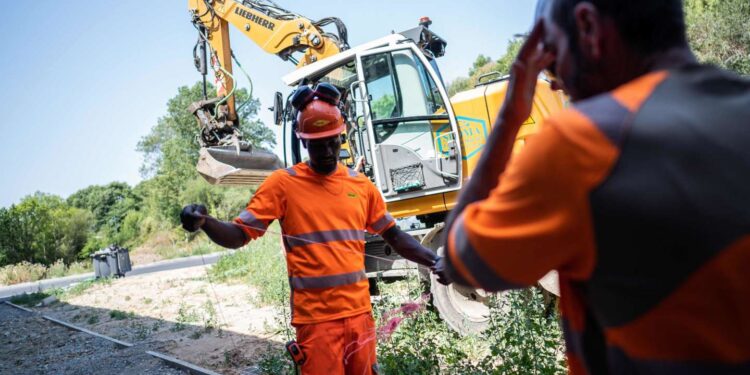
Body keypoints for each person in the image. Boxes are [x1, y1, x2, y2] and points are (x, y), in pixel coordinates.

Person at [434, 0, 750, 374]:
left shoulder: (580, 143)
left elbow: (461, 261)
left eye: (551, 56)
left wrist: (508, 118)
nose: (552, 81)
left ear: (586, 26)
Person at [181, 83, 439, 375]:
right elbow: (239, 235)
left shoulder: (361, 186)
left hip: (359, 317)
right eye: (318, 144)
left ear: (341, 136)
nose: (328, 151)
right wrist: (206, 223)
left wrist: (435, 261)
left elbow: (395, 235)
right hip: (316, 324)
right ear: (304, 143)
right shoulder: (282, 185)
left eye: (333, 141)